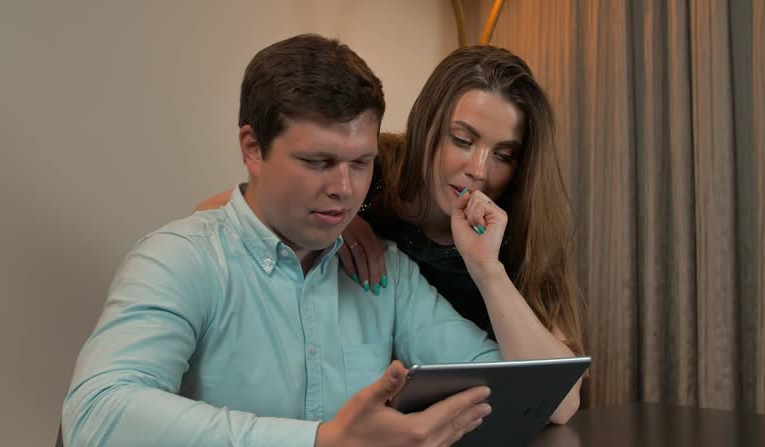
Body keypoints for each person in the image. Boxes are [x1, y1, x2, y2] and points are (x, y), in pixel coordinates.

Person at [62, 34, 580, 447]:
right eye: (318, 162)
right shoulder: (180, 258)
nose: (345, 189)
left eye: (361, 163)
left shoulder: (391, 274)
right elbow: (94, 419)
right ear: (252, 147)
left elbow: (519, 391)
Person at [198, 44, 584, 362]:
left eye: (504, 155)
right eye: (462, 140)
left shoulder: (517, 227)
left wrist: (488, 269)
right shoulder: (367, 170)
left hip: (477, 418)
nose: (479, 171)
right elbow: (225, 211)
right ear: (426, 122)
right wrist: (338, 219)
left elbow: (562, 401)